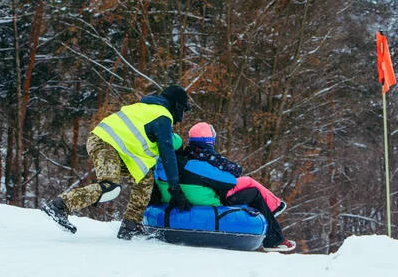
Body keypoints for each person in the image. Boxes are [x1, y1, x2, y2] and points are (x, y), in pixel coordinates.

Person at [41, 85, 193, 240]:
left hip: (115, 147)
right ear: (177, 105)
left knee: (145, 179)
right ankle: (59, 206)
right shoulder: (162, 115)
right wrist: (174, 188)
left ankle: (130, 227)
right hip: (105, 143)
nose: (182, 116)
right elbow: (167, 155)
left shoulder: (144, 107)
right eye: (183, 111)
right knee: (110, 187)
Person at [154, 122, 295, 252]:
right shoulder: (198, 164)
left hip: (179, 200)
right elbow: (229, 181)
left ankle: (274, 213)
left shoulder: (162, 164)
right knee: (253, 191)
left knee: (248, 184)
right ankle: (274, 234)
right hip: (206, 200)